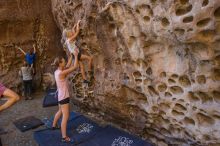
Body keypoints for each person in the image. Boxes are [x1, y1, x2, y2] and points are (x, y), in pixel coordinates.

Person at [52, 49, 79, 143]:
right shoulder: (62, 73)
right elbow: (74, 67)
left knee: (60, 111)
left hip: (60, 96)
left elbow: (67, 65)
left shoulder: (57, 71)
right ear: (60, 64)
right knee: (65, 116)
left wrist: (71, 56)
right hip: (64, 97)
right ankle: (64, 137)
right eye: (63, 61)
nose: (65, 62)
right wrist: (76, 56)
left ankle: (54, 125)